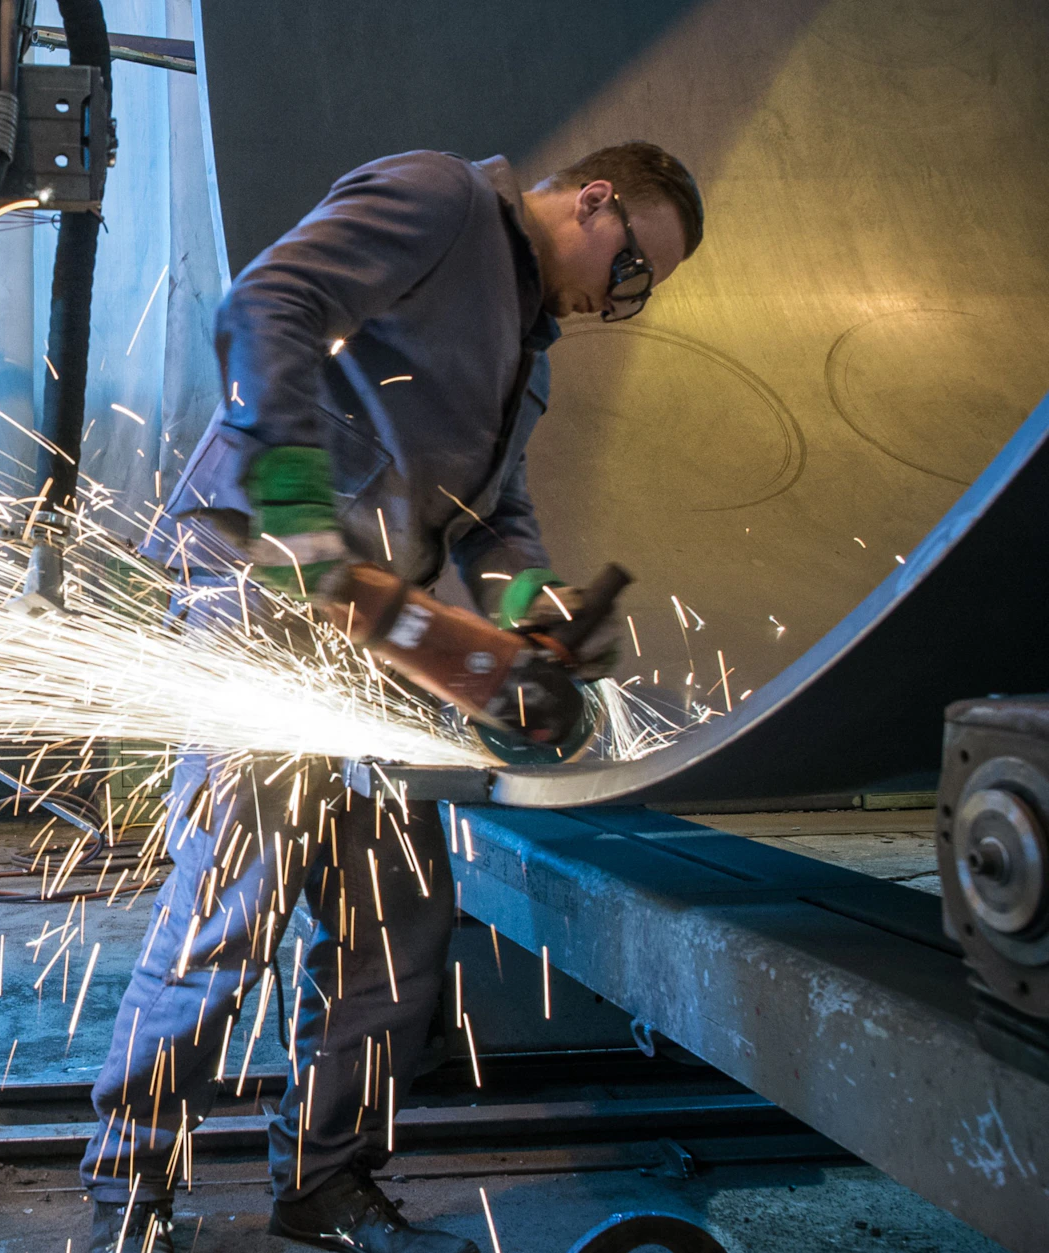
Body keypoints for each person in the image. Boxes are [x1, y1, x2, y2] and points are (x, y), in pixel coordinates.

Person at [82, 142, 704, 1253]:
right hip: (266, 585)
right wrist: (297, 514)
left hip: (373, 628)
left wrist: (533, 602)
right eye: (629, 267)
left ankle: (322, 1181)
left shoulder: (531, 345)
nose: (620, 298)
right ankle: (129, 1183)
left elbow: (490, 512)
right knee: (233, 903)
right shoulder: (440, 199)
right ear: (595, 200)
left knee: (396, 919)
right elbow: (265, 301)